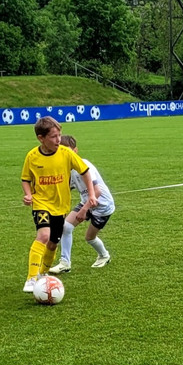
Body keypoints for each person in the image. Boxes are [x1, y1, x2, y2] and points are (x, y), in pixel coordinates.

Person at [20, 116, 96, 293]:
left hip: (61, 206)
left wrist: (91, 195)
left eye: (59, 135)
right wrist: (28, 195)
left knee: (53, 243)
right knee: (44, 236)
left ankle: (43, 274)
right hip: (41, 203)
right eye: (54, 136)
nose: (58, 140)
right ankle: (31, 278)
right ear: (41, 138)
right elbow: (25, 179)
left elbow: (85, 171)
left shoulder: (66, 153)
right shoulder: (32, 157)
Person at [49, 135, 114, 274]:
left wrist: (84, 210)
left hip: (102, 205)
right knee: (66, 227)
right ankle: (65, 263)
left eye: (67, 151)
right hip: (87, 202)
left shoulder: (84, 165)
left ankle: (104, 256)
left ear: (75, 151)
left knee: (89, 238)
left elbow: (96, 192)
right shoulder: (66, 170)